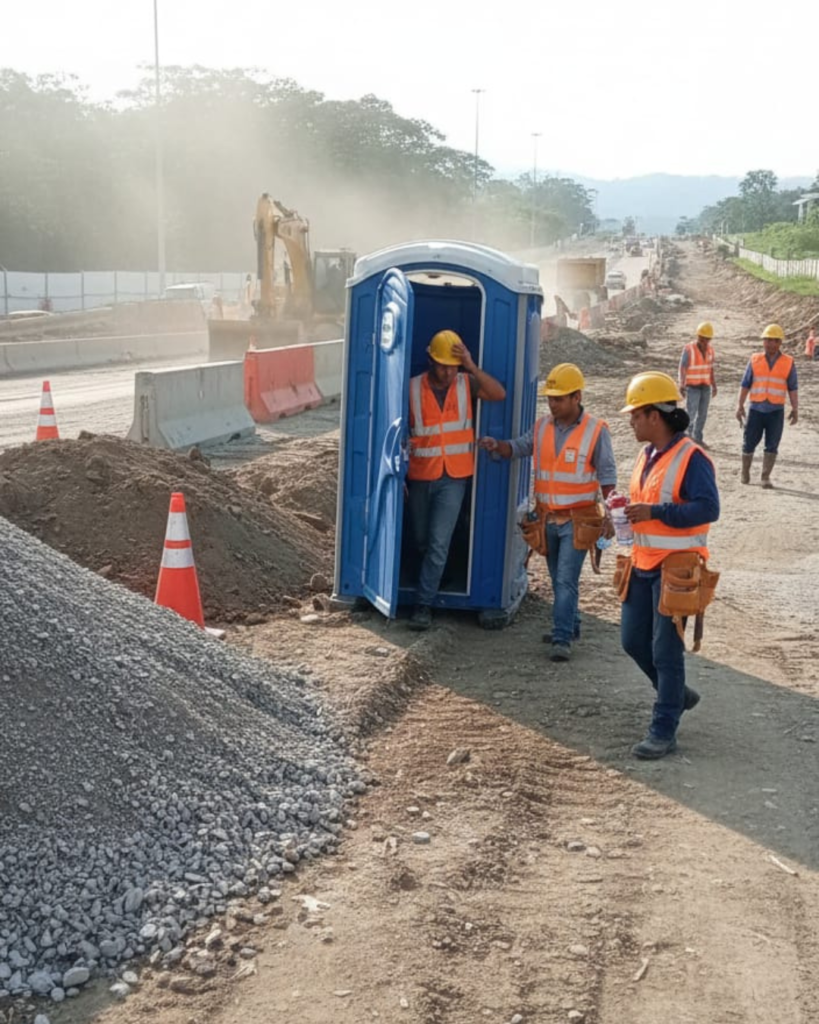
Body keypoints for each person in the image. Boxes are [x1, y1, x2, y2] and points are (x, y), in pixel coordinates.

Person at [478, 363, 616, 662]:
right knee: (558, 579)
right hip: (547, 519)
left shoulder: (596, 431)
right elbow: (518, 447)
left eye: (559, 398)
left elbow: (607, 476)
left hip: (578, 521)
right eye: (550, 398)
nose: (552, 404)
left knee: (565, 579)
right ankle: (571, 624)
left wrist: (611, 514)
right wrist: (497, 446)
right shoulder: (542, 427)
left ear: (576, 397)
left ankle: (562, 637)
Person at [620, 371, 720, 759]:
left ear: (654, 416)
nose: (630, 421)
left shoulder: (691, 458)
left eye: (635, 415)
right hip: (643, 564)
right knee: (631, 641)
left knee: (665, 652)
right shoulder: (647, 455)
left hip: (675, 569)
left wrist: (655, 511)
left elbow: (709, 508)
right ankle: (676, 693)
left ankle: (663, 729)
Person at [406, 330, 506, 631]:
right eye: (442, 364)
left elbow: (499, 394)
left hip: (455, 476)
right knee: (423, 538)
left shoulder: (466, 383)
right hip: (421, 474)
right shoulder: (411, 388)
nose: (448, 371)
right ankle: (442, 572)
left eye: (453, 365)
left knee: (437, 542)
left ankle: (423, 605)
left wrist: (471, 367)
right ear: (430, 360)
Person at [736, 323, 798, 488]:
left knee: (772, 444)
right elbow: (745, 384)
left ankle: (765, 477)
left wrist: (795, 408)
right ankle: (745, 471)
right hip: (756, 409)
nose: (770, 344)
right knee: (749, 442)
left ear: (780, 343)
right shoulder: (755, 360)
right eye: (767, 340)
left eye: (774, 341)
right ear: (763, 342)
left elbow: (792, 387)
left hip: (776, 411)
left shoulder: (788, 362)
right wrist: (740, 405)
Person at [678, 321, 717, 447]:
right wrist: (681, 384)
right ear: (698, 337)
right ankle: (687, 439)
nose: (704, 341)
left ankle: (698, 439)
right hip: (692, 387)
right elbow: (682, 367)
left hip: (705, 386)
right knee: (691, 413)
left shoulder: (711, 350)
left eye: (707, 339)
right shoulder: (689, 349)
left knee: (703, 414)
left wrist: (714, 384)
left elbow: (710, 368)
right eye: (702, 338)